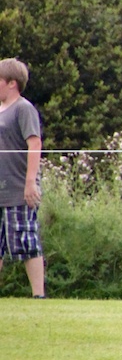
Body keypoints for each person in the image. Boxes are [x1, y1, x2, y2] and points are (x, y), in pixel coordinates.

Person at [0, 58, 45, 298]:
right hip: (1, 188)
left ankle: (39, 295)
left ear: (11, 83)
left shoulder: (23, 109)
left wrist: (30, 182)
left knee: (27, 242)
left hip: (18, 188)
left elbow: (34, 143)